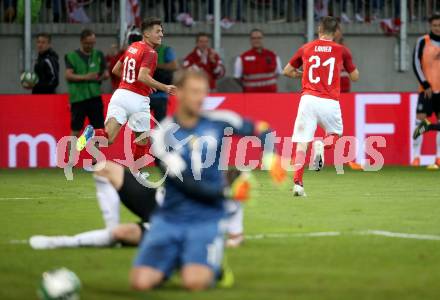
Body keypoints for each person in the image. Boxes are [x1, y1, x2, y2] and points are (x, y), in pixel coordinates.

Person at [130, 69, 285, 291]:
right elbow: (186, 182)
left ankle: (215, 268)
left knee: (195, 283)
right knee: (140, 283)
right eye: (194, 91)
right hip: (171, 217)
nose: (200, 97)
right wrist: (228, 193)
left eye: (203, 92)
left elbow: (262, 129)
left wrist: (271, 156)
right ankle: (177, 259)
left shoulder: (219, 121)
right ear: (179, 93)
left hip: (207, 217)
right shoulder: (162, 135)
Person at [28, 161, 246, 249]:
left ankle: (62, 242)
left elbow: (236, 237)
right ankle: (109, 229)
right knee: (104, 167)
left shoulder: (231, 205)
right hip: (153, 200)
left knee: (123, 233)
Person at [76, 18, 177, 174]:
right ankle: (138, 173)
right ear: (146, 34)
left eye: (162, 31)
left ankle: (92, 133)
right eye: (157, 31)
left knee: (108, 138)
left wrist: (138, 83)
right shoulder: (151, 53)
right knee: (142, 139)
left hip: (120, 95)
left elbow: (116, 70)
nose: (161, 34)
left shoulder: (133, 47)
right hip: (137, 99)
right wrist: (164, 87)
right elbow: (143, 77)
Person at [283, 16, 359, 197]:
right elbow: (355, 76)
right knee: (335, 135)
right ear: (337, 32)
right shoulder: (342, 51)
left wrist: (301, 74)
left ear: (319, 29)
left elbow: (286, 71)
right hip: (329, 101)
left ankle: (298, 184)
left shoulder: (306, 48)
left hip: (308, 99)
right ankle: (321, 144)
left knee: (302, 144)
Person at [65, 29, 109, 140]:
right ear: (81, 41)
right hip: (78, 98)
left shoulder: (98, 55)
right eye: (87, 43)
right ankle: (71, 157)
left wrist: (101, 77)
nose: (90, 45)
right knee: (75, 129)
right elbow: (68, 75)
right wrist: (86, 77)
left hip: (95, 97)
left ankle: (97, 157)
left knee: (99, 130)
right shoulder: (71, 56)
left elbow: (106, 74)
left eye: (92, 43)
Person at [412, 14, 440, 169]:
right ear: (431, 25)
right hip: (426, 90)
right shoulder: (423, 41)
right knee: (419, 121)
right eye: (435, 25)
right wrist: (425, 83)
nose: (437, 28)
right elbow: (416, 63)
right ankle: (416, 157)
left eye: (439, 25)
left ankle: (438, 158)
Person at [234, 29, 283, 93]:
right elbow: (237, 77)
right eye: (254, 38)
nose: (256, 40)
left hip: (270, 95)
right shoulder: (242, 58)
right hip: (250, 96)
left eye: (259, 38)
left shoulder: (273, 56)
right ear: (250, 40)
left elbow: (278, 73)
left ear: (263, 39)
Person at [150, 43, 178, 122]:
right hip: (143, 95)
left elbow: (174, 66)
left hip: (160, 95)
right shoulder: (141, 49)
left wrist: (154, 65)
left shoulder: (166, 50)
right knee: (140, 125)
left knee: (160, 125)